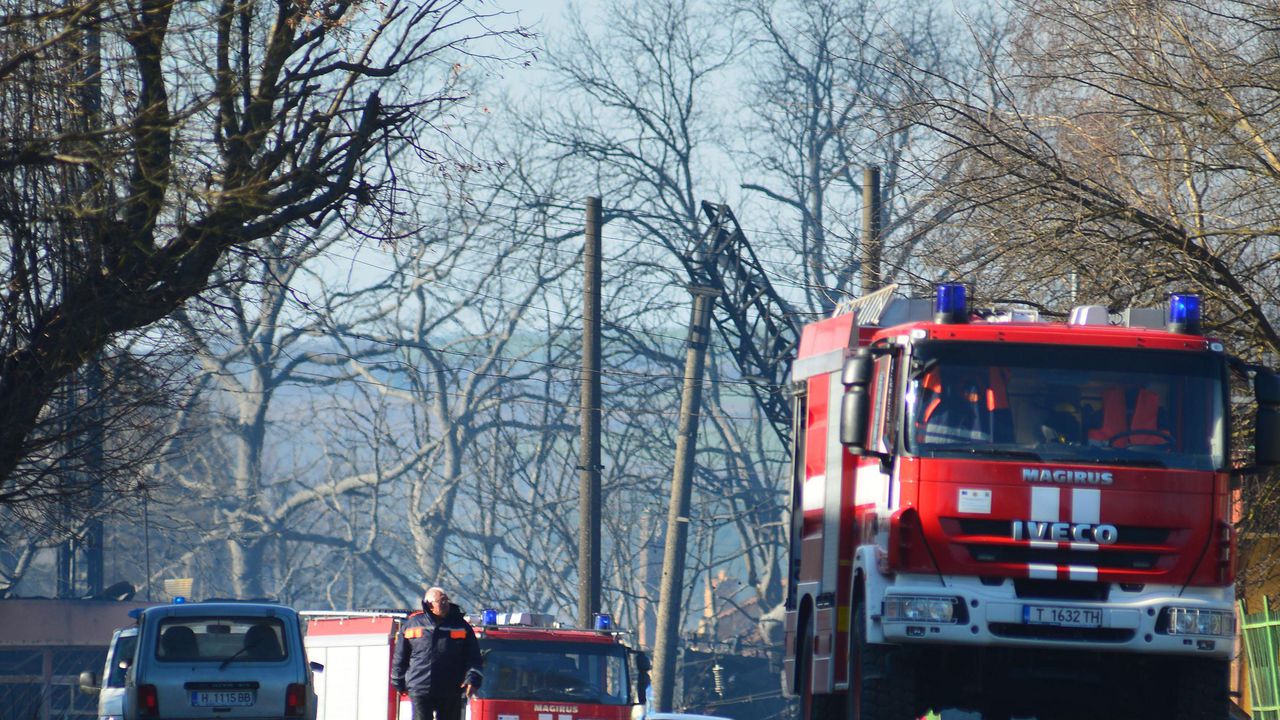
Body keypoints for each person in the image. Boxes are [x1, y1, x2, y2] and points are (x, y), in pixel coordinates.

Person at [391, 587, 483, 720]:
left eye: (446, 600)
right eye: (441, 601)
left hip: (451, 688)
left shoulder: (460, 626)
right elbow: (400, 657)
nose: (446, 604)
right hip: (420, 687)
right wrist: (398, 682)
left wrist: (473, 680)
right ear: (429, 604)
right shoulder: (412, 624)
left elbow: (474, 657)